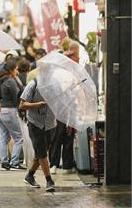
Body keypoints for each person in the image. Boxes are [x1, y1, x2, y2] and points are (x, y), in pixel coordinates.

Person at [19, 78, 56, 192]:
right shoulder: (33, 84)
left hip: (50, 123)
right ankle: (49, 180)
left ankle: (30, 175)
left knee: (41, 152)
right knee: (42, 153)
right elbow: (22, 105)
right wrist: (37, 105)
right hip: (35, 123)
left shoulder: (56, 86)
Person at [49, 41, 79, 174]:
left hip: (65, 107)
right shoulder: (62, 73)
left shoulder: (68, 73)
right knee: (61, 136)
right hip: (61, 108)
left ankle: (62, 164)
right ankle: (59, 164)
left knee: (66, 136)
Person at [0, 58, 26, 171]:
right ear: (12, 70)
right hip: (10, 110)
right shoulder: (10, 81)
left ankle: (4, 161)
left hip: (1, 110)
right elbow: (17, 96)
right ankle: (14, 162)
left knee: (4, 136)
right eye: (16, 69)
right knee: (18, 137)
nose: (17, 72)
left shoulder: (1, 80)